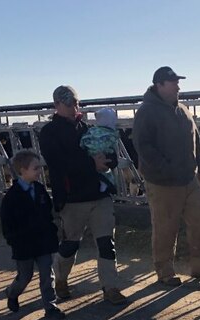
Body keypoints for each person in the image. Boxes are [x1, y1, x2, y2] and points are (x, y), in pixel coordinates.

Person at [39, 85, 128, 305]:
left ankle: (110, 287)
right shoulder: (49, 133)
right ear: (57, 105)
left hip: (99, 195)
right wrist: (92, 164)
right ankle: (60, 278)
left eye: (76, 103)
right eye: (69, 104)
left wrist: (109, 161)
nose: (74, 108)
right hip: (72, 197)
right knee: (70, 244)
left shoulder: (88, 128)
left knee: (106, 242)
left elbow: (110, 153)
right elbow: (57, 163)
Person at [132, 66, 200, 286]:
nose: (178, 86)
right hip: (162, 182)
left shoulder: (183, 110)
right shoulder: (146, 112)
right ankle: (165, 272)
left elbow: (196, 139)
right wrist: (166, 169)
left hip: (188, 179)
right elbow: (143, 147)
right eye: (173, 83)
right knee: (165, 228)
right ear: (159, 85)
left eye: (177, 82)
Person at [0, 149, 65, 319]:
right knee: (25, 277)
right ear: (22, 170)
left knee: (47, 274)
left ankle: (50, 307)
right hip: (24, 245)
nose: (40, 171)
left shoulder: (40, 189)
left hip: (43, 241)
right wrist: (13, 240)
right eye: (35, 168)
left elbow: (48, 214)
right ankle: (12, 293)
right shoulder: (12, 197)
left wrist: (53, 233)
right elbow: (7, 223)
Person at [80, 107, 119, 190]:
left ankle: (102, 183)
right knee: (105, 169)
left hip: (90, 152)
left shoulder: (92, 130)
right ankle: (107, 184)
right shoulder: (111, 134)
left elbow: (84, 139)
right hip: (102, 154)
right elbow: (112, 145)